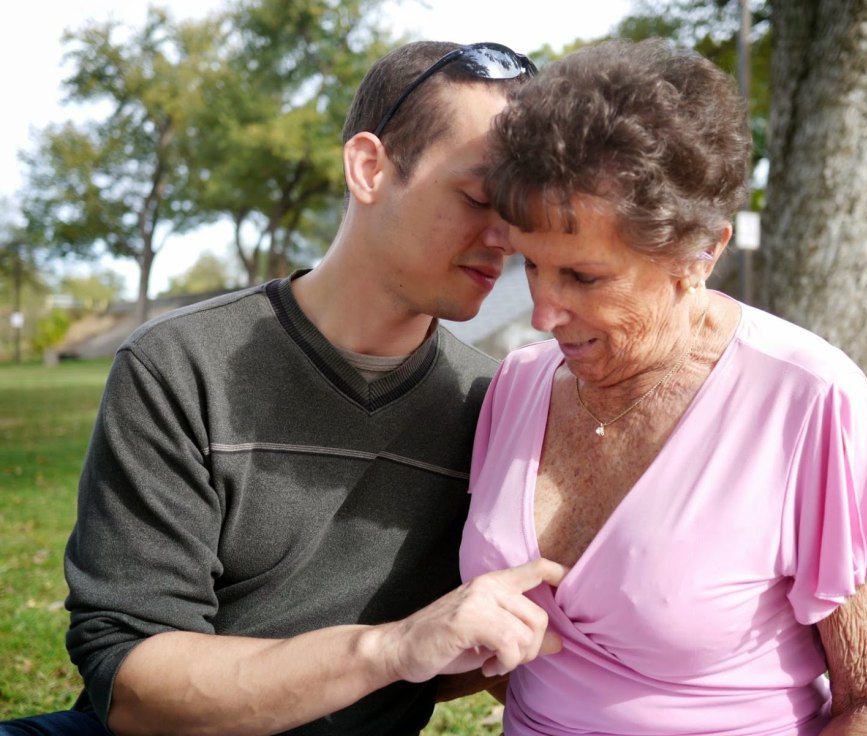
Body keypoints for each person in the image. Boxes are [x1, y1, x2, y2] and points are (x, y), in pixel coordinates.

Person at [0, 40, 567, 736]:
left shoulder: (492, 407)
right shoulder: (181, 365)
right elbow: (134, 688)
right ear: (368, 168)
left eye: (521, 209)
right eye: (480, 196)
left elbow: (447, 653)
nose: (506, 235)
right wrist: (391, 648)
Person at [459, 38, 867, 736]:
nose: (543, 314)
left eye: (584, 277)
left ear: (701, 252)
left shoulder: (806, 398)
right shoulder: (517, 385)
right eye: (530, 266)